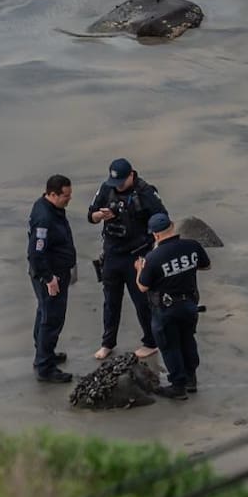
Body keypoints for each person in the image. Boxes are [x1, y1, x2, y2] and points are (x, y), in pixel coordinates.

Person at [86, 157, 167, 360]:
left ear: (131, 175)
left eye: (122, 182)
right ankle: (107, 343)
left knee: (142, 301)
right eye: (116, 183)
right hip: (112, 253)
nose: (118, 186)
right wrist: (99, 216)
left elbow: (162, 219)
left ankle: (151, 342)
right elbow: (91, 215)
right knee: (110, 301)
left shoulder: (145, 192)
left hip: (137, 255)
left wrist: (155, 249)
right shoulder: (106, 188)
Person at [136, 212, 211, 400]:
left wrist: (139, 270)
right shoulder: (192, 246)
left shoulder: (153, 258)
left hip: (165, 309)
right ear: (172, 227)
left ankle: (178, 386)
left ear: (156, 235)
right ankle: (191, 379)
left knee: (170, 346)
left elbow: (143, 286)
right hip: (190, 304)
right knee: (188, 339)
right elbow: (206, 266)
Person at [27, 174, 77, 383]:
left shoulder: (51, 208)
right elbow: (36, 253)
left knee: (44, 312)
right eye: (66, 196)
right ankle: (45, 367)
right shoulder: (44, 218)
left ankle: (44, 354)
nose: (69, 199)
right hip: (50, 276)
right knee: (52, 318)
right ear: (53, 194)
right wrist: (49, 279)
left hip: (56, 271)